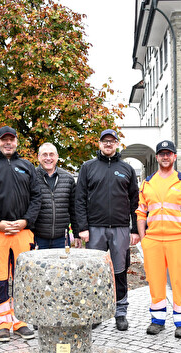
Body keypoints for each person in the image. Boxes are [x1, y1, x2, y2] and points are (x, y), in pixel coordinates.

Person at [0, 126, 41, 342]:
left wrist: (25, 221)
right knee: (0, 279)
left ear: (16, 142)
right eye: (3, 140)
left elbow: (36, 197)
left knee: (23, 280)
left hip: (23, 233)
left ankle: (21, 321)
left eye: (11, 140)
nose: (7, 143)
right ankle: (3, 322)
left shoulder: (27, 166)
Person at [75, 129, 140, 331]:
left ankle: (120, 313)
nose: (108, 144)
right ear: (99, 144)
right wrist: (82, 228)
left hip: (120, 228)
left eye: (112, 141)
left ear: (117, 143)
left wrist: (135, 229)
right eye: (105, 141)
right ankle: (95, 312)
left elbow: (135, 201)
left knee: (120, 271)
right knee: (95, 272)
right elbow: (80, 199)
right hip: (95, 229)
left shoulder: (126, 169)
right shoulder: (88, 167)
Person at [136, 140, 181, 339]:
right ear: (157, 157)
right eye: (162, 154)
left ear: (174, 156)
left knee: (180, 282)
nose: (165, 157)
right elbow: (141, 213)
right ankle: (157, 321)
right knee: (155, 281)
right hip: (153, 241)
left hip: (178, 240)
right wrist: (144, 239)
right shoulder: (147, 182)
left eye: (169, 153)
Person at [33, 142, 79, 249]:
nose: (48, 158)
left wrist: (76, 234)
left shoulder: (68, 179)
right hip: (37, 237)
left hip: (61, 239)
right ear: (38, 157)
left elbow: (73, 209)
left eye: (51, 154)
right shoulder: (31, 178)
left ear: (57, 157)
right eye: (44, 155)